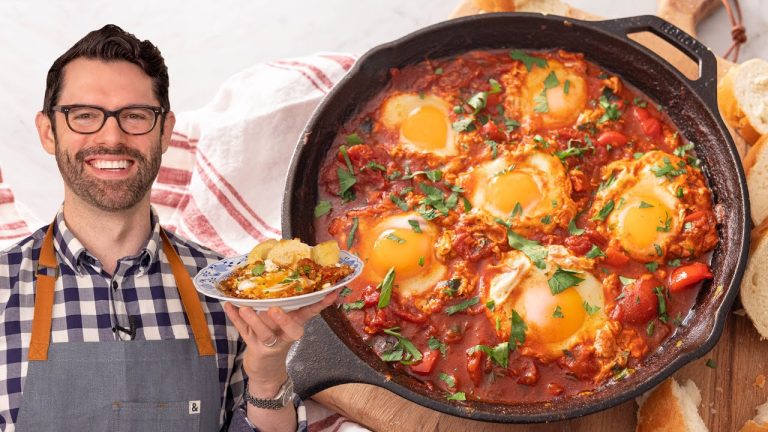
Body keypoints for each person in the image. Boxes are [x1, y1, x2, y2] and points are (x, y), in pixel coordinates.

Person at [0, 24, 337, 432]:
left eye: (135, 116)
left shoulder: (229, 290)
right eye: (84, 115)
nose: (112, 136)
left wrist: (267, 378)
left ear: (165, 132)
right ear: (47, 132)